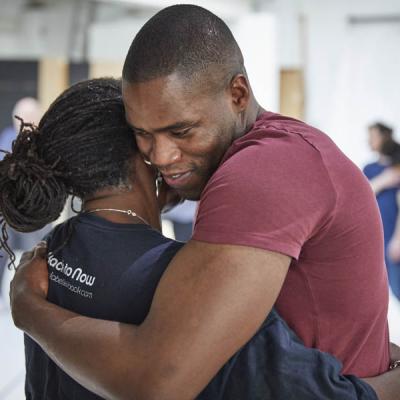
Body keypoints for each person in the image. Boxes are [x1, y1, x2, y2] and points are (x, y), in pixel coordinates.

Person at [8, 4, 399, 400]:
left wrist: (31, 310)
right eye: (142, 133)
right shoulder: (274, 157)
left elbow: (163, 379)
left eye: (181, 130)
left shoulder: (264, 168)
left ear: (238, 94)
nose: (160, 155)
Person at [364, 122, 400, 301]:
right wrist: (385, 180)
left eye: (373, 136)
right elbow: (362, 196)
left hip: (395, 235)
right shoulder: (370, 169)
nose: (369, 141)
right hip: (379, 235)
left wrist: (398, 238)